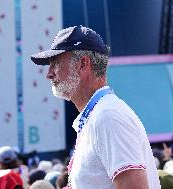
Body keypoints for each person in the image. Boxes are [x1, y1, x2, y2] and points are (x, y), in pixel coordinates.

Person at [30, 25, 160, 189]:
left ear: (83, 64)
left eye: (55, 63)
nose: (49, 74)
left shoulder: (108, 116)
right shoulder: (101, 114)